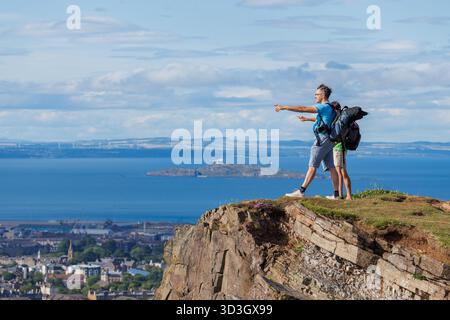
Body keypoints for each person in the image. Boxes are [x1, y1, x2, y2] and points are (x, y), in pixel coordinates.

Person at [274, 84, 340, 199]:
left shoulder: (323, 107)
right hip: (330, 140)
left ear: (323, 95)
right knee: (332, 167)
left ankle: (301, 191)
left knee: (312, 166)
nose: (315, 96)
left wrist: (284, 107)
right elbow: (324, 121)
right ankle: (336, 195)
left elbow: (302, 108)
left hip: (321, 139)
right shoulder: (330, 108)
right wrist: (307, 119)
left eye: (317, 94)